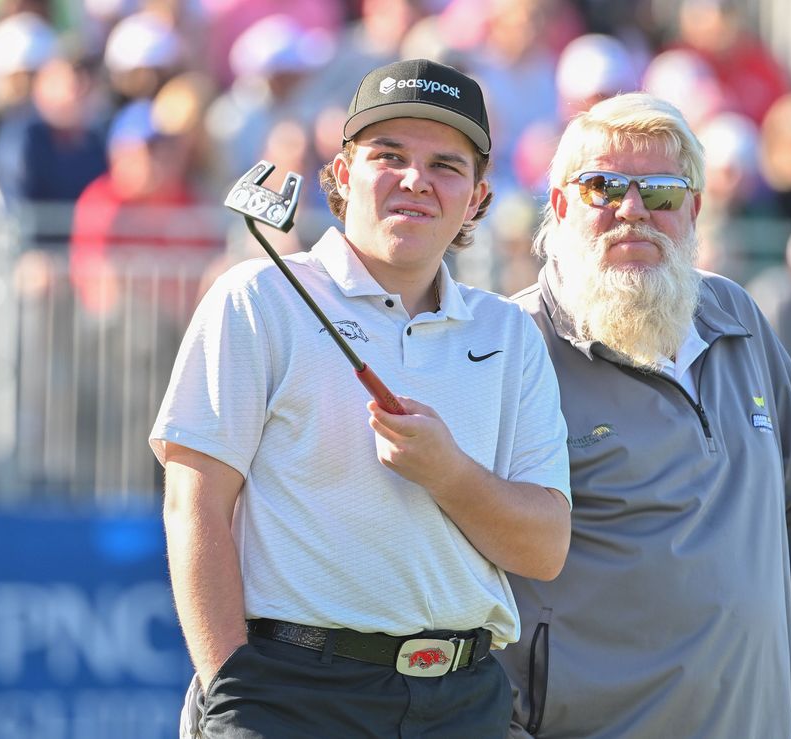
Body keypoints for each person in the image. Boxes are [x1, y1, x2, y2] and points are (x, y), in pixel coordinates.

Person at [150, 58, 572, 737]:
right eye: (389, 155)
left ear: (478, 197)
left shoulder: (509, 335)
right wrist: (232, 694)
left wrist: (449, 473)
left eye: (446, 165)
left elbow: (544, 548)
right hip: (290, 694)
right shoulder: (257, 296)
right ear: (344, 175)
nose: (415, 180)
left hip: (466, 700)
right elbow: (193, 502)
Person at [496, 92, 791, 738]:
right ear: (560, 205)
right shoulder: (513, 348)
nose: (632, 211)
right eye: (604, 188)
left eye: (659, 192)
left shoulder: (736, 320)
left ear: (693, 208)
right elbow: (463, 586)